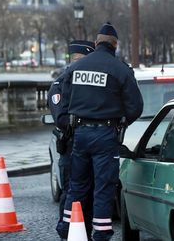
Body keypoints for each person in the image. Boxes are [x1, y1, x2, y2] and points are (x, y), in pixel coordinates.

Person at [56, 22, 144, 241]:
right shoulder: (120, 69)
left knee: (77, 184)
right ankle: (101, 232)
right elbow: (136, 107)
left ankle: (69, 227)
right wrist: (120, 122)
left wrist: (72, 122)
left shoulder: (76, 68)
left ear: (96, 43)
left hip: (80, 134)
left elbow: (63, 101)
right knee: (104, 186)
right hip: (106, 134)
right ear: (115, 45)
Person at [48, 40, 95, 240]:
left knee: (90, 195)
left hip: (90, 148)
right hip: (70, 148)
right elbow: (61, 118)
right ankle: (67, 233)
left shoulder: (93, 85)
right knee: (70, 193)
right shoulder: (59, 85)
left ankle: (85, 233)